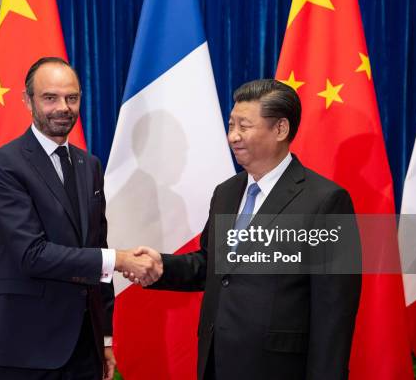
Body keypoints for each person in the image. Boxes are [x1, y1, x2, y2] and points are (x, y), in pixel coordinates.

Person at [130, 79, 362, 379]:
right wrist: (163, 266)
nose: (233, 136)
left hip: (278, 369)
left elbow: (334, 313)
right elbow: (213, 266)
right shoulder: (227, 192)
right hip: (217, 360)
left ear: (280, 129)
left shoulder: (326, 201)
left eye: (244, 126)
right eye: (231, 125)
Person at [0, 57, 159, 380]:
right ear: (27, 100)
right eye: (50, 98)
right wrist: (119, 260)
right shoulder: (3, 165)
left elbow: (95, 247)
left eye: (71, 98)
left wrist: (104, 338)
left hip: (84, 349)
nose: (63, 107)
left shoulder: (88, 165)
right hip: (25, 350)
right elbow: (31, 254)